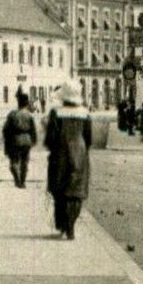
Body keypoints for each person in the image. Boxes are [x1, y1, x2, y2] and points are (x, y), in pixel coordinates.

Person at [44, 80, 93, 239]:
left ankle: (64, 225)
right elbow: (89, 137)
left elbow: (51, 137)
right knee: (76, 190)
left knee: (60, 190)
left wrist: (51, 149)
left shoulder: (56, 113)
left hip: (60, 154)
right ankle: (71, 223)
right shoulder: (85, 113)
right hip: (80, 153)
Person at [1, 90, 37, 189]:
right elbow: (33, 130)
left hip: (15, 140)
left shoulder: (12, 114)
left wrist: (7, 141)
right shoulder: (29, 115)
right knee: (25, 162)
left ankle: (17, 180)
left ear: (18, 103)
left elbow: (6, 129)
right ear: (26, 103)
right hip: (26, 140)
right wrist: (33, 140)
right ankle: (23, 181)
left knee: (14, 161)